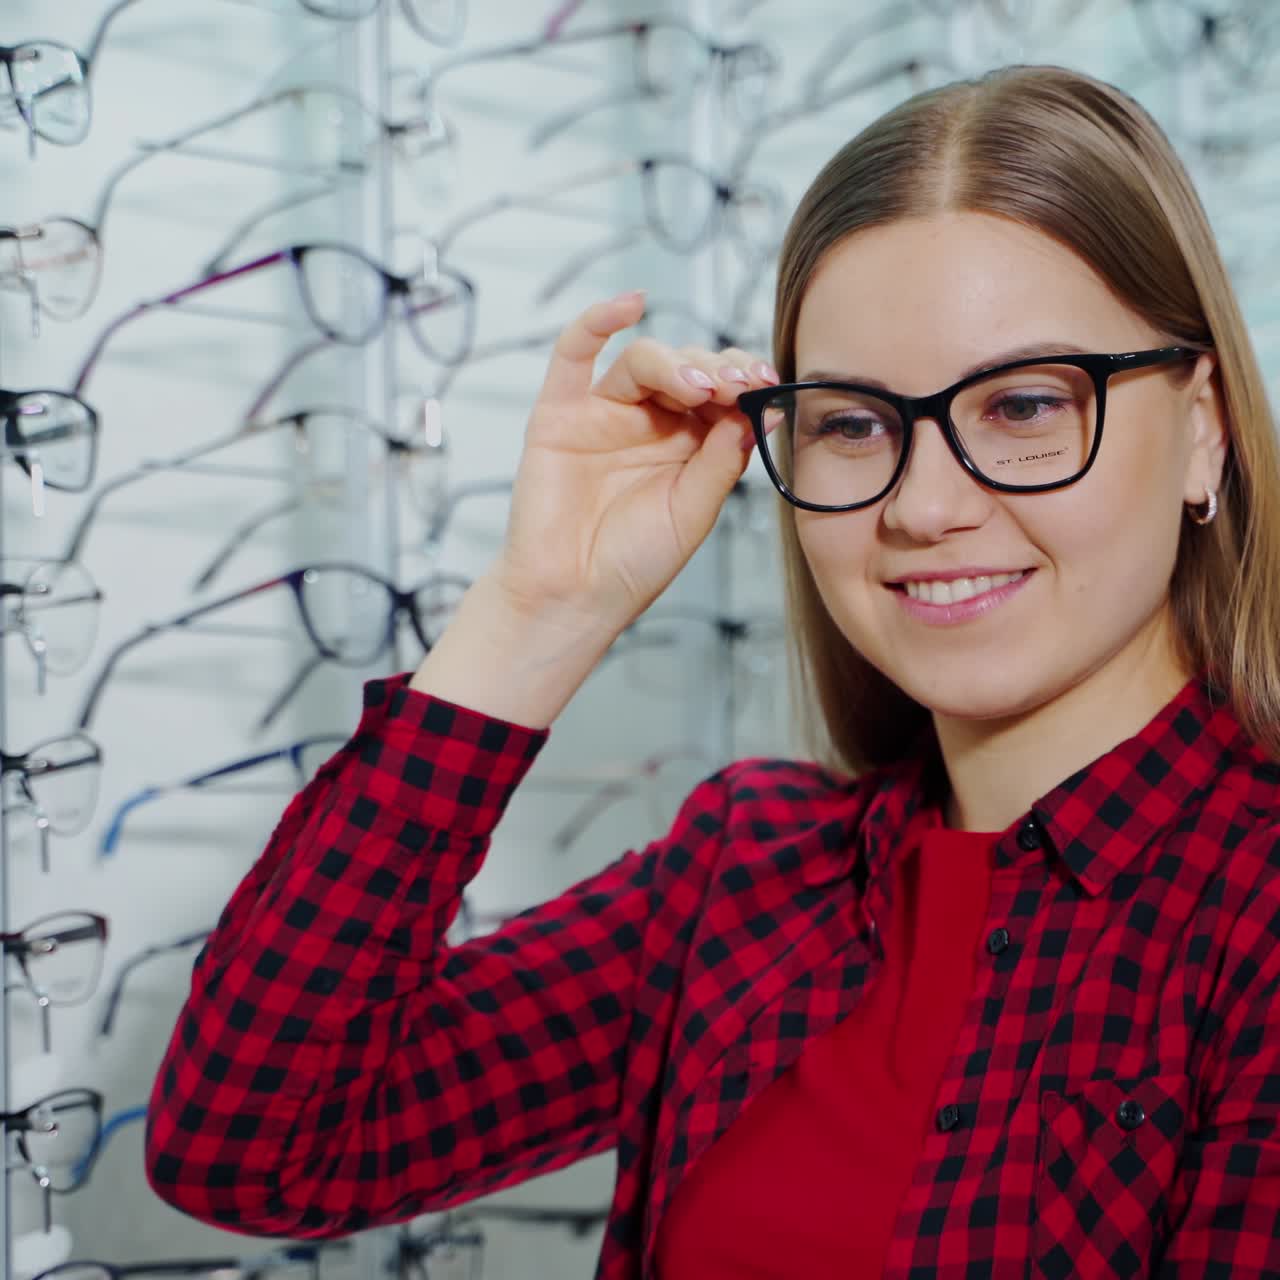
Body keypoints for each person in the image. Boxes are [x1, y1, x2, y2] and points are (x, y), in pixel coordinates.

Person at [145, 63, 1280, 1279]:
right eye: (852, 422)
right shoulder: (742, 874)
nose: (924, 504)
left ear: (1201, 424)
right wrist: (540, 608)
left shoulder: (1253, 913)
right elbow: (254, 1142)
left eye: (1022, 404)